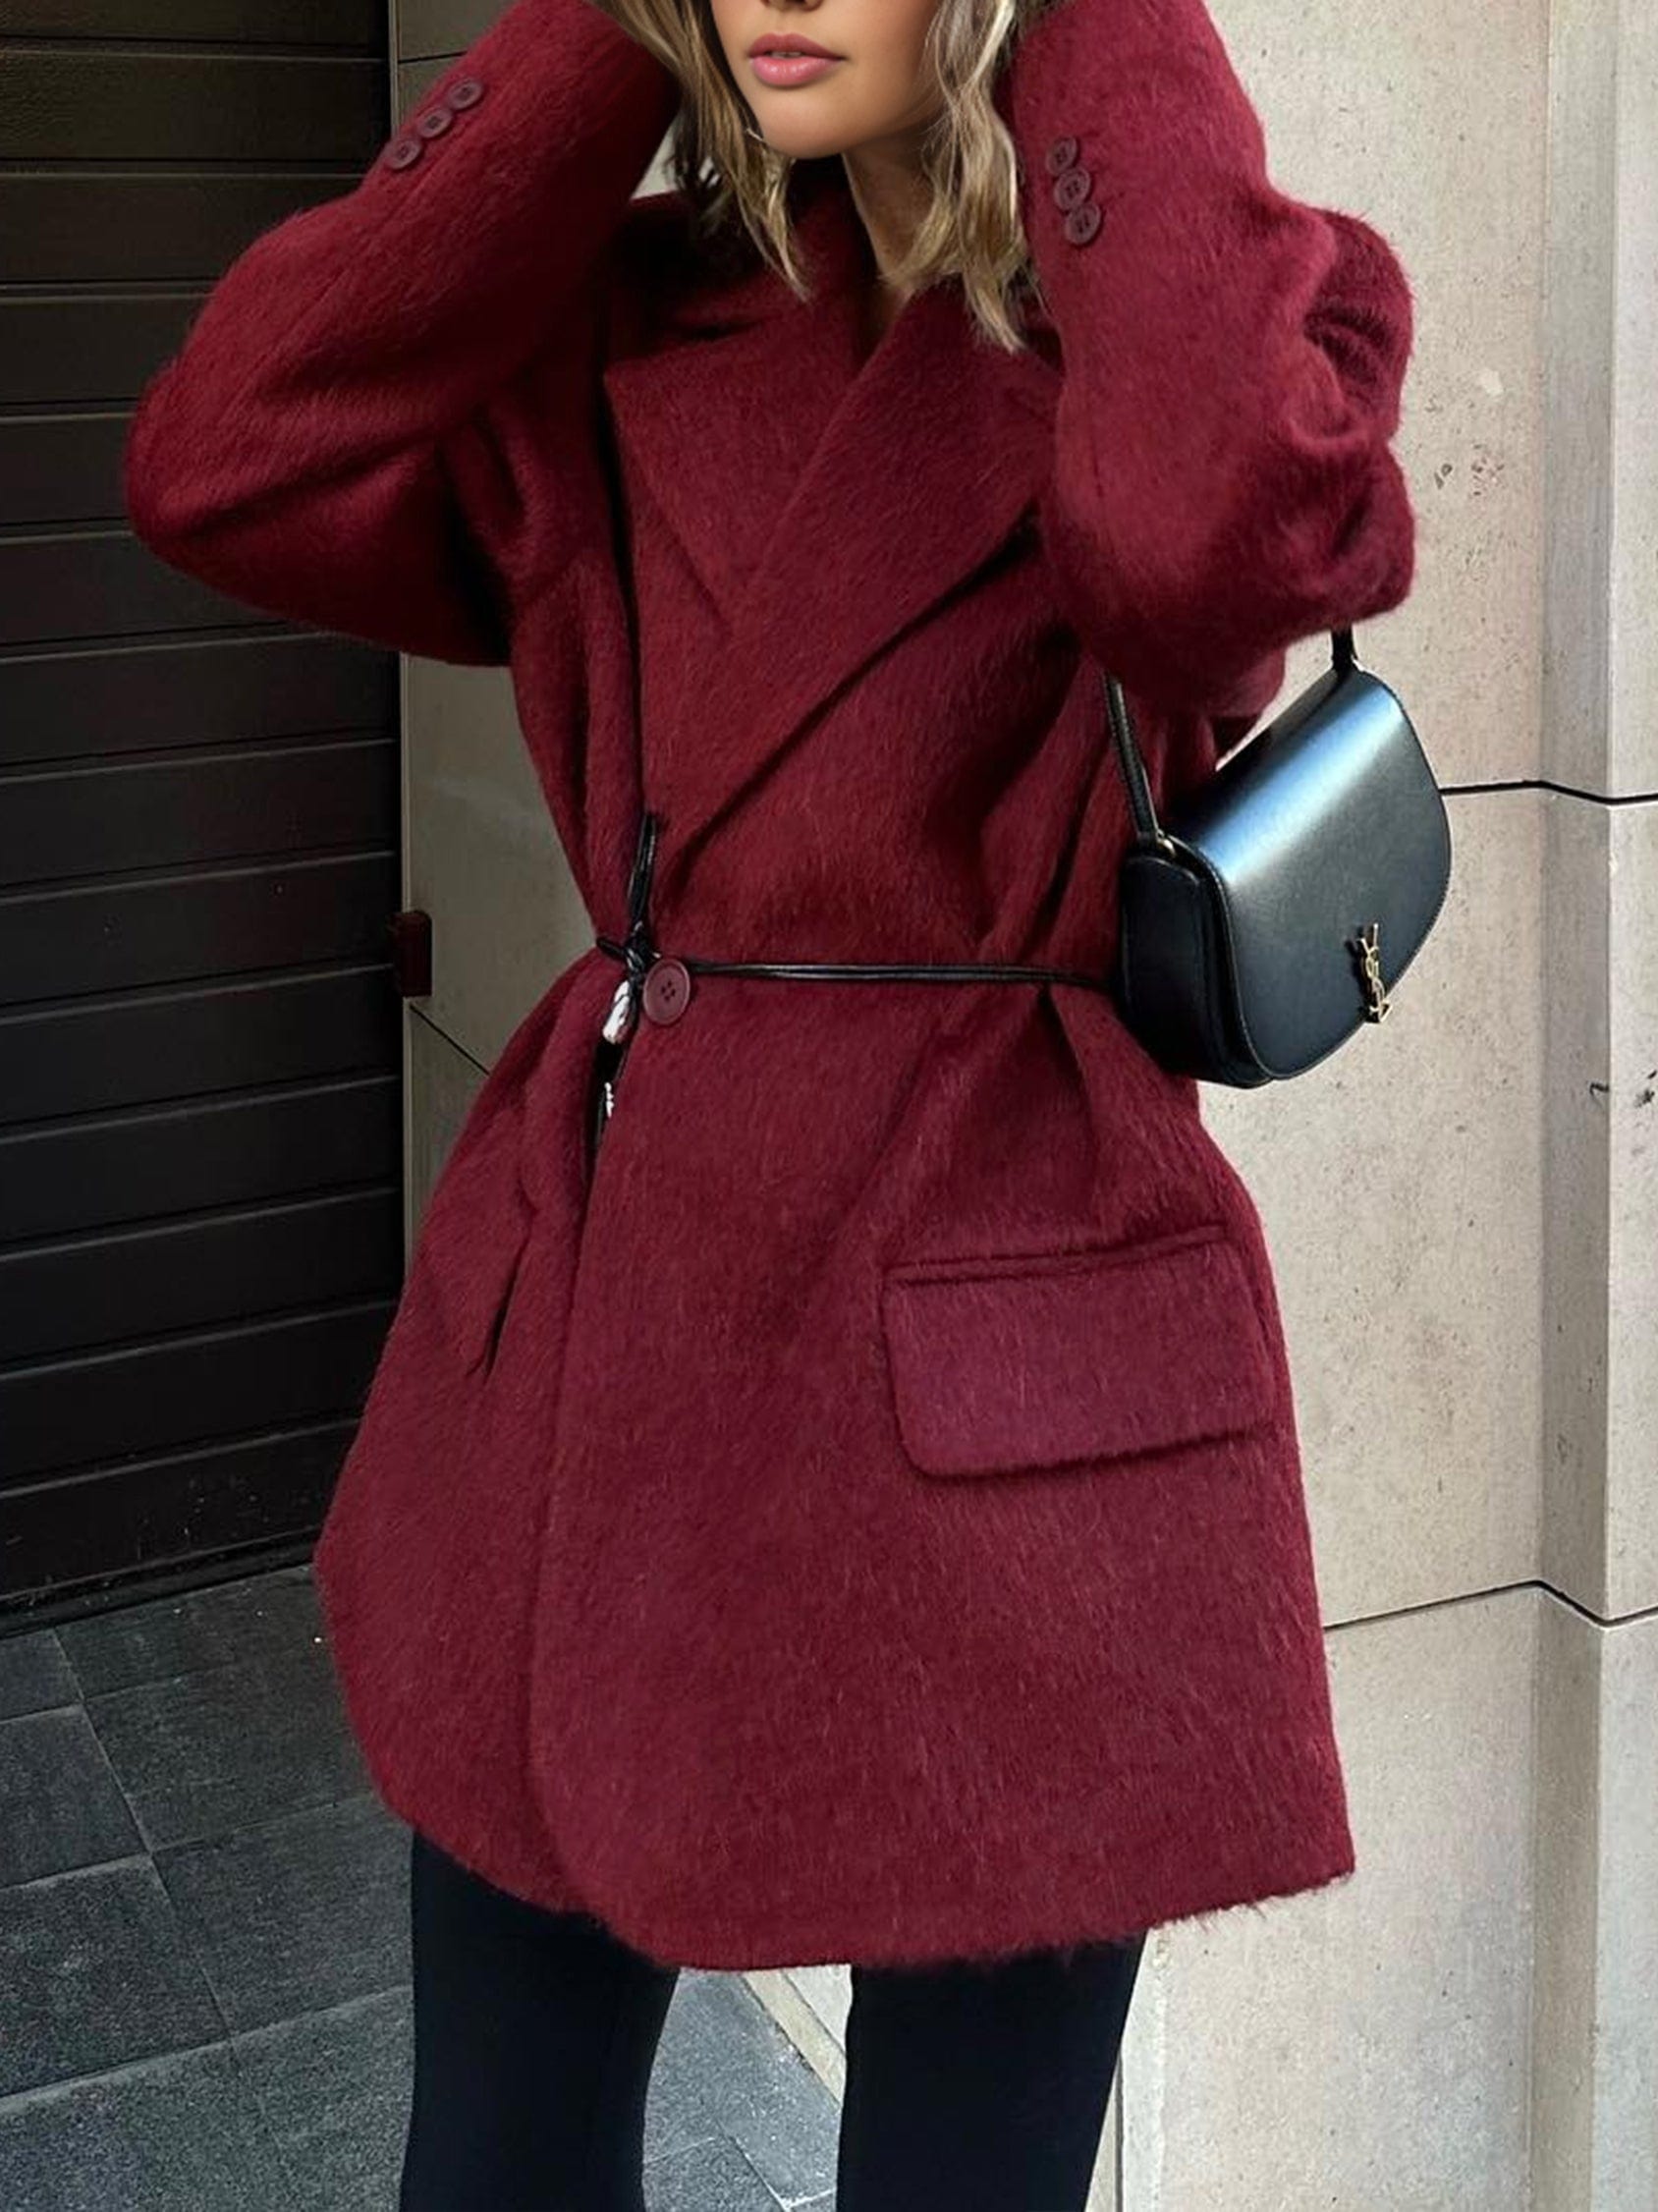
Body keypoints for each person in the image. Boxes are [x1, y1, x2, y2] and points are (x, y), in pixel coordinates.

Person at [122, 0, 1417, 2203]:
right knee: (496, 2158)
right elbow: (221, 457)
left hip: (1012, 1389)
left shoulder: (1205, 336)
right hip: (605, 1343)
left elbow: (1198, 540)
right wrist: (598, 49)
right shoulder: (609, 329)